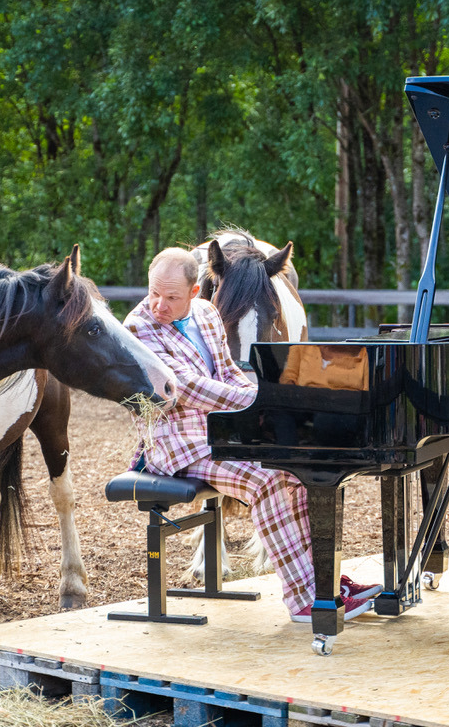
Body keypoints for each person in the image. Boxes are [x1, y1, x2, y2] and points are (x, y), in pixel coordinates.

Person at [123, 247, 378, 622]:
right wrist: (258, 398)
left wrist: (261, 401)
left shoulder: (208, 313)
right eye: (154, 293)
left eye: (171, 297)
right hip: (178, 445)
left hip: (223, 432)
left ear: (195, 294)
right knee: (266, 481)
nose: (159, 304)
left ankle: (325, 583)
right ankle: (302, 600)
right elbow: (182, 385)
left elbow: (226, 370)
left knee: (299, 471)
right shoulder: (137, 327)